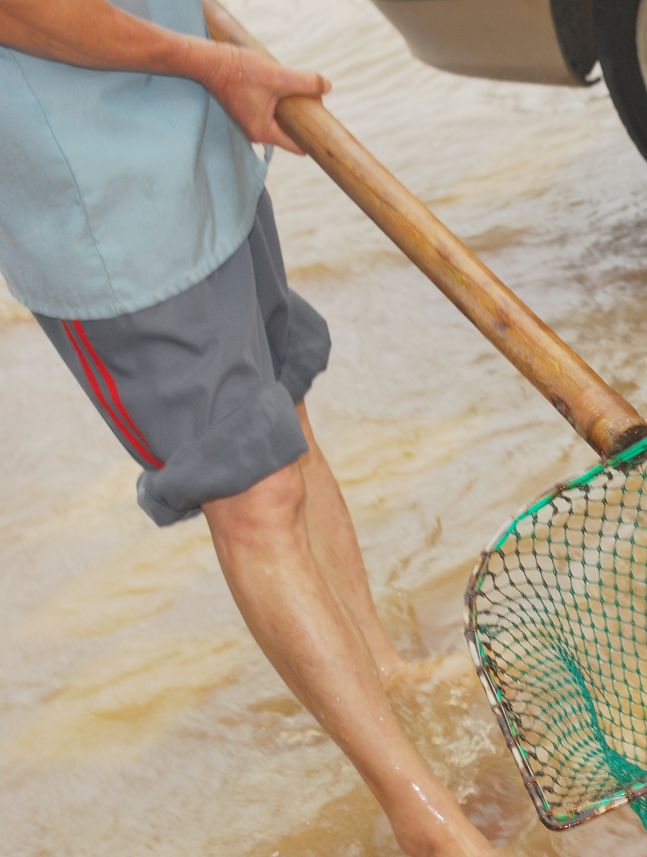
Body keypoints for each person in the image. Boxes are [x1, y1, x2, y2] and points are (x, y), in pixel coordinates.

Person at [0, 2, 494, 855]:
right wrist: (211, 64)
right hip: (101, 194)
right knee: (254, 499)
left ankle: (385, 672)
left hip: (194, 131)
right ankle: (421, 813)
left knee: (282, 410)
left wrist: (211, 55)